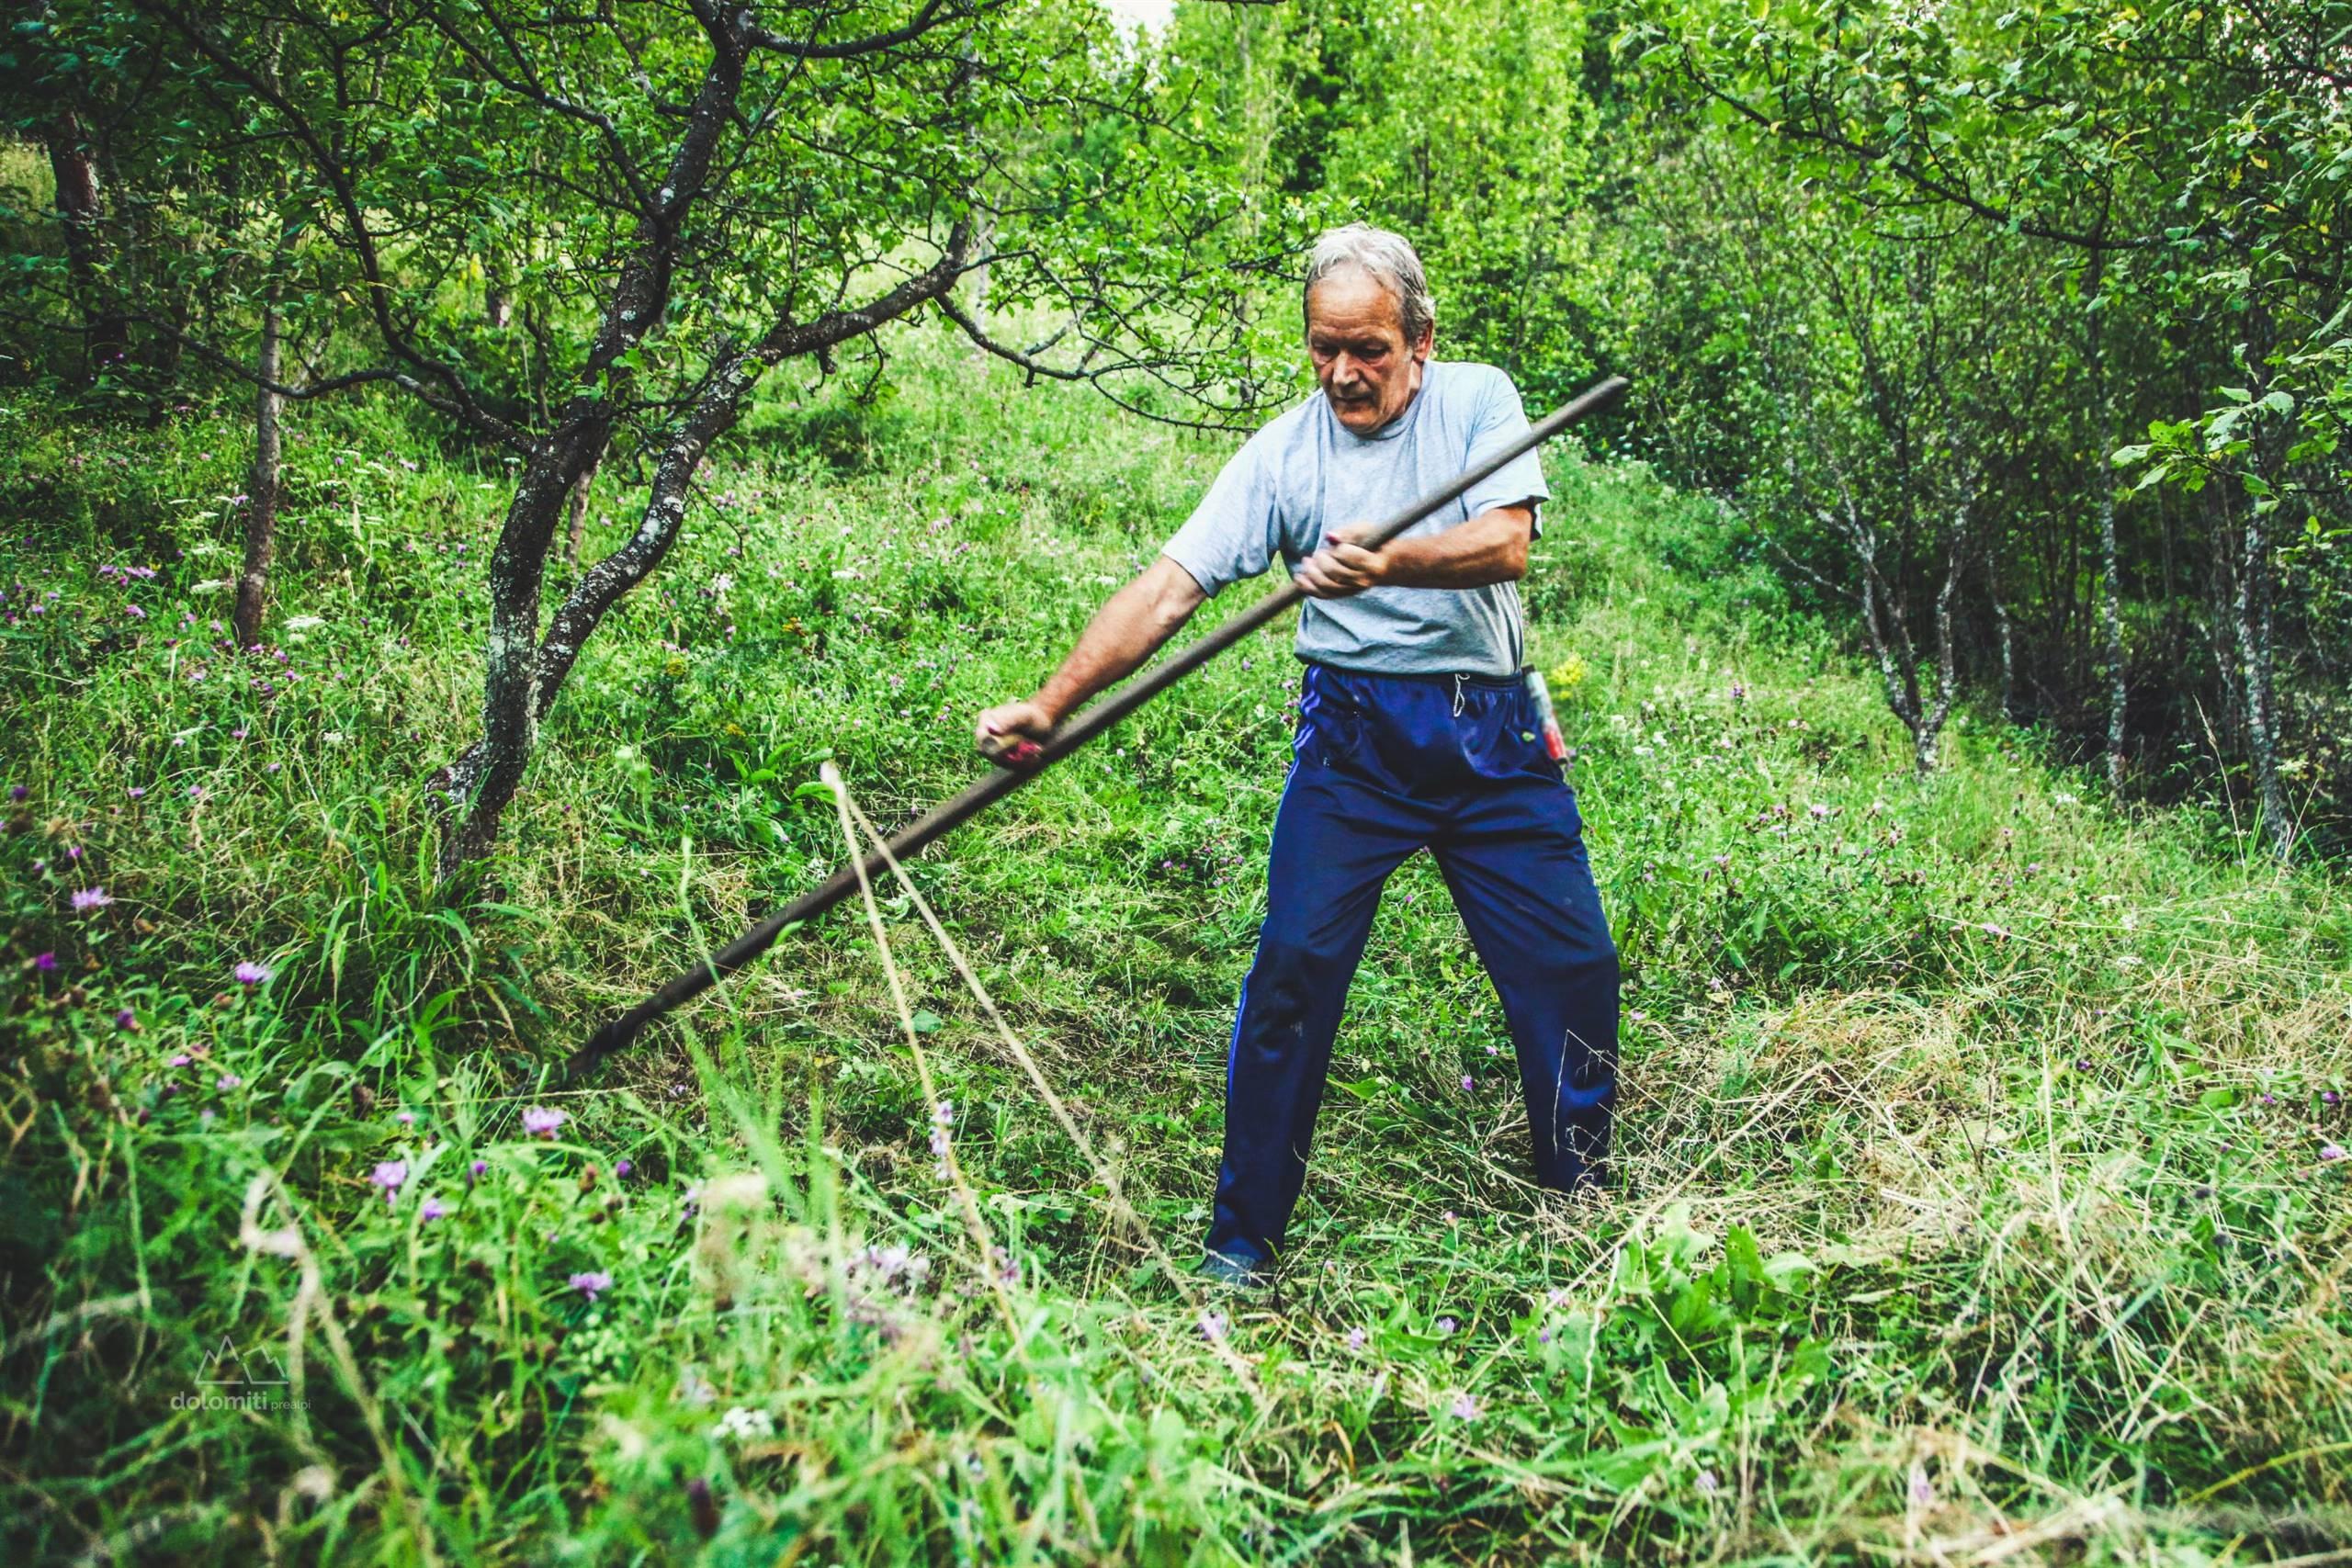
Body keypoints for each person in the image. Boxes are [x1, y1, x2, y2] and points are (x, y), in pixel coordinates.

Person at [975, 223, 1620, 1287]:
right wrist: (1051, 704)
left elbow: (1507, 539)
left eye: (1367, 348)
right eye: (1323, 348)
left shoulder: (1477, 401)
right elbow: (1169, 587)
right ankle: (1242, 1242)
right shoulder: (1282, 453)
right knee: (1292, 976)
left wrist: (1389, 558)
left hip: (1491, 735)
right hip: (1354, 748)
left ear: (1420, 337)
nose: (1343, 373)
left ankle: (1580, 1195)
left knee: (1573, 965)